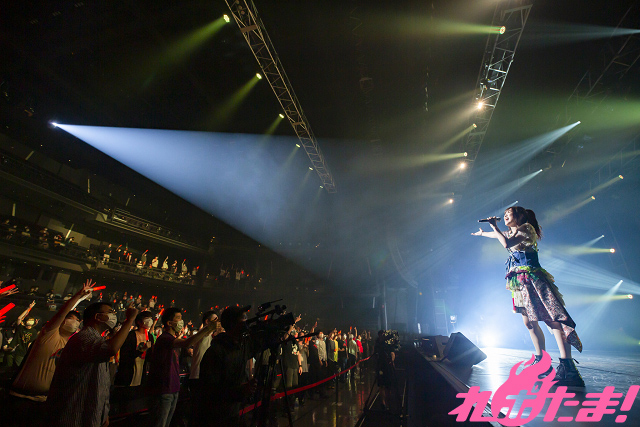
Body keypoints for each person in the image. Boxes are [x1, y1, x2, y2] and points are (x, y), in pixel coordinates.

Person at [472, 206, 584, 387]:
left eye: (508, 214)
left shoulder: (526, 228)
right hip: (520, 282)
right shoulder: (512, 232)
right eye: (504, 214)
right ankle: (542, 362)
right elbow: (501, 237)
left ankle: (568, 367)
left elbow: (506, 243)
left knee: (552, 320)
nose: (505, 216)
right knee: (529, 322)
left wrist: (494, 227)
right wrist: (484, 233)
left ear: (519, 216)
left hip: (533, 279)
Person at [47, 302, 138, 427]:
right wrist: (130, 320)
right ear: (97, 317)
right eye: (110, 312)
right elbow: (111, 349)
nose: (114, 315)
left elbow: (102, 384)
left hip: (89, 414)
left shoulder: (97, 339)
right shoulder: (84, 337)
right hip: (75, 415)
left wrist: (103, 413)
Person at [147, 307, 217, 427]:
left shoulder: (172, 339)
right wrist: (207, 329)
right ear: (169, 323)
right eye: (178, 318)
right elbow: (187, 343)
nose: (181, 321)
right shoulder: (164, 338)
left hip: (173, 387)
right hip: (164, 389)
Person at [196, 306, 256, 427]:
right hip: (217, 416)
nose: (246, 323)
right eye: (243, 319)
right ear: (233, 324)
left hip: (233, 411)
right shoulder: (217, 351)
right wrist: (240, 391)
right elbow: (211, 391)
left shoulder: (239, 347)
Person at [114, 311, 155, 387]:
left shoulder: (150, 337)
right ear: (139, 322)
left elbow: (149, 357)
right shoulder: (131, 335)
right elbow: (125, 355)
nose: (149, 321)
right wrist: (142, 349)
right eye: (147, 318)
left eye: (150, 318)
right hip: (128, 373)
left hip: (141, 373)